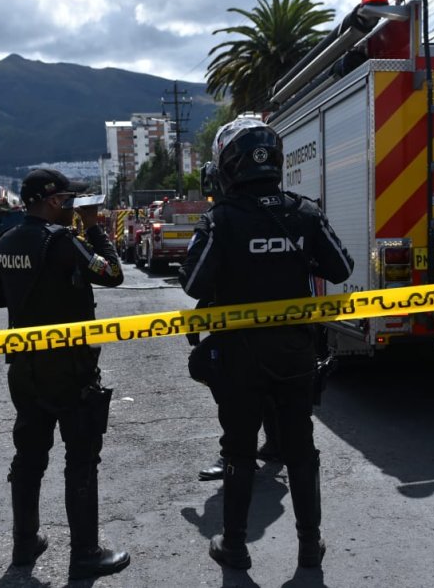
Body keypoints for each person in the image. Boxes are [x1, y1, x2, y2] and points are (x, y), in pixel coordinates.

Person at [180, 118, 353, 570]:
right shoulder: (306, 212)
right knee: (300, 450)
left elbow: (193, 282)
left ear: (230, 166)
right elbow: (341, 268)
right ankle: (309, 547)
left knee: (239, 451)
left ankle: (234, 547)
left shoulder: (220, 218)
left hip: (238, 357)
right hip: (295, 354)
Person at [0, 168, 130, 580]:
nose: (72, 207)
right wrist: (95, 229)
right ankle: (85, 553)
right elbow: (112, 274)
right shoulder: (62, 240)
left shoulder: (5, 241)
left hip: (24, 369)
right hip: (68, 368)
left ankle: (25, 544)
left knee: (29, 458)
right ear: (51, 202)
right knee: (81, 460)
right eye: (67, 201)